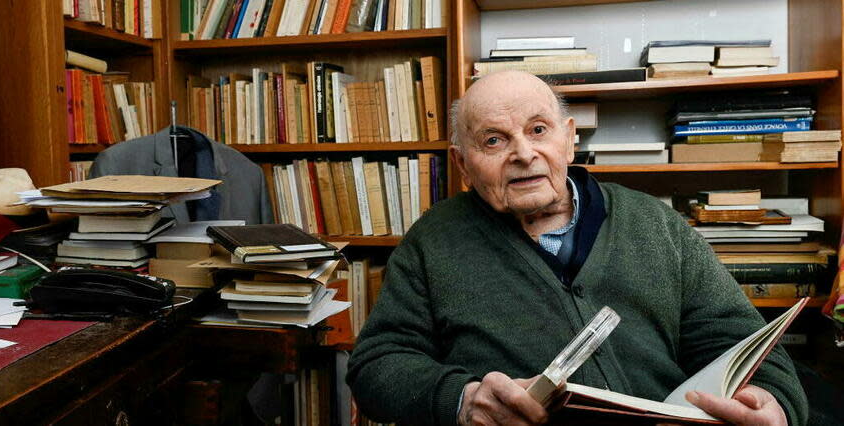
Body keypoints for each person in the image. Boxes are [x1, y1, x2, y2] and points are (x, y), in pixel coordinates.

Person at [345, 71, 807, 426]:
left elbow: (745, 346)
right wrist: (462, 400)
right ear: (464, 165)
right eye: (494, 140)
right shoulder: (432, 241)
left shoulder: (656, 225)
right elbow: (375, 367)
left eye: (539, 130)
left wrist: (775, 405)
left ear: (570, 139)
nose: (523, 153)